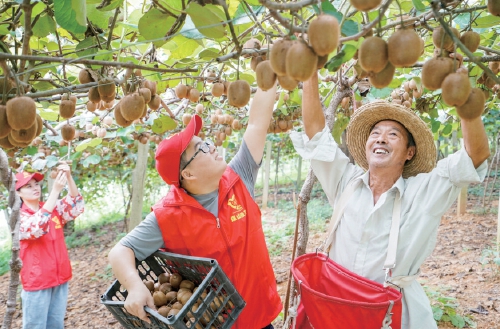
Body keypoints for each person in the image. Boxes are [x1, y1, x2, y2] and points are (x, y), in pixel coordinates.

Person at [289, 71, 490, 329]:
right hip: (336, 310)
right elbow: (316, 133)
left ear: (409, 152)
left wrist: (463, 97)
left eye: (393, 134)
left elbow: (475, 157)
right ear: (366, 146)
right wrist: (309, 72)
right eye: (375, 133)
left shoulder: (424, 193)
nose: (381, 138)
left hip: (393, 315)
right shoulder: (345, 181)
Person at [108, 83, 282, 329]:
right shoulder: (167, 216)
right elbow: (120, 251)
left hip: (260, 317)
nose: (211, 146)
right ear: (187, 174)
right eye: (201, 148)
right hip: (214, 322)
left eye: (207, 141)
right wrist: (135, 286)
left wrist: (271, 72)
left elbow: (257, 124)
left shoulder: (239, 177)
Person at [16, 163, 85, 329]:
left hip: (60, 277)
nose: (35, 188)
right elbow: (37, 227)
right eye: (28, 186)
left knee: (56, 325)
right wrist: (55, 191)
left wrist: (68, 177)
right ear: (18, 192)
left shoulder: (51, 208)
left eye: (36, 184)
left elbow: (76, 206)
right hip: (37, 281)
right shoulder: (18, 217)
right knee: (36, 326)